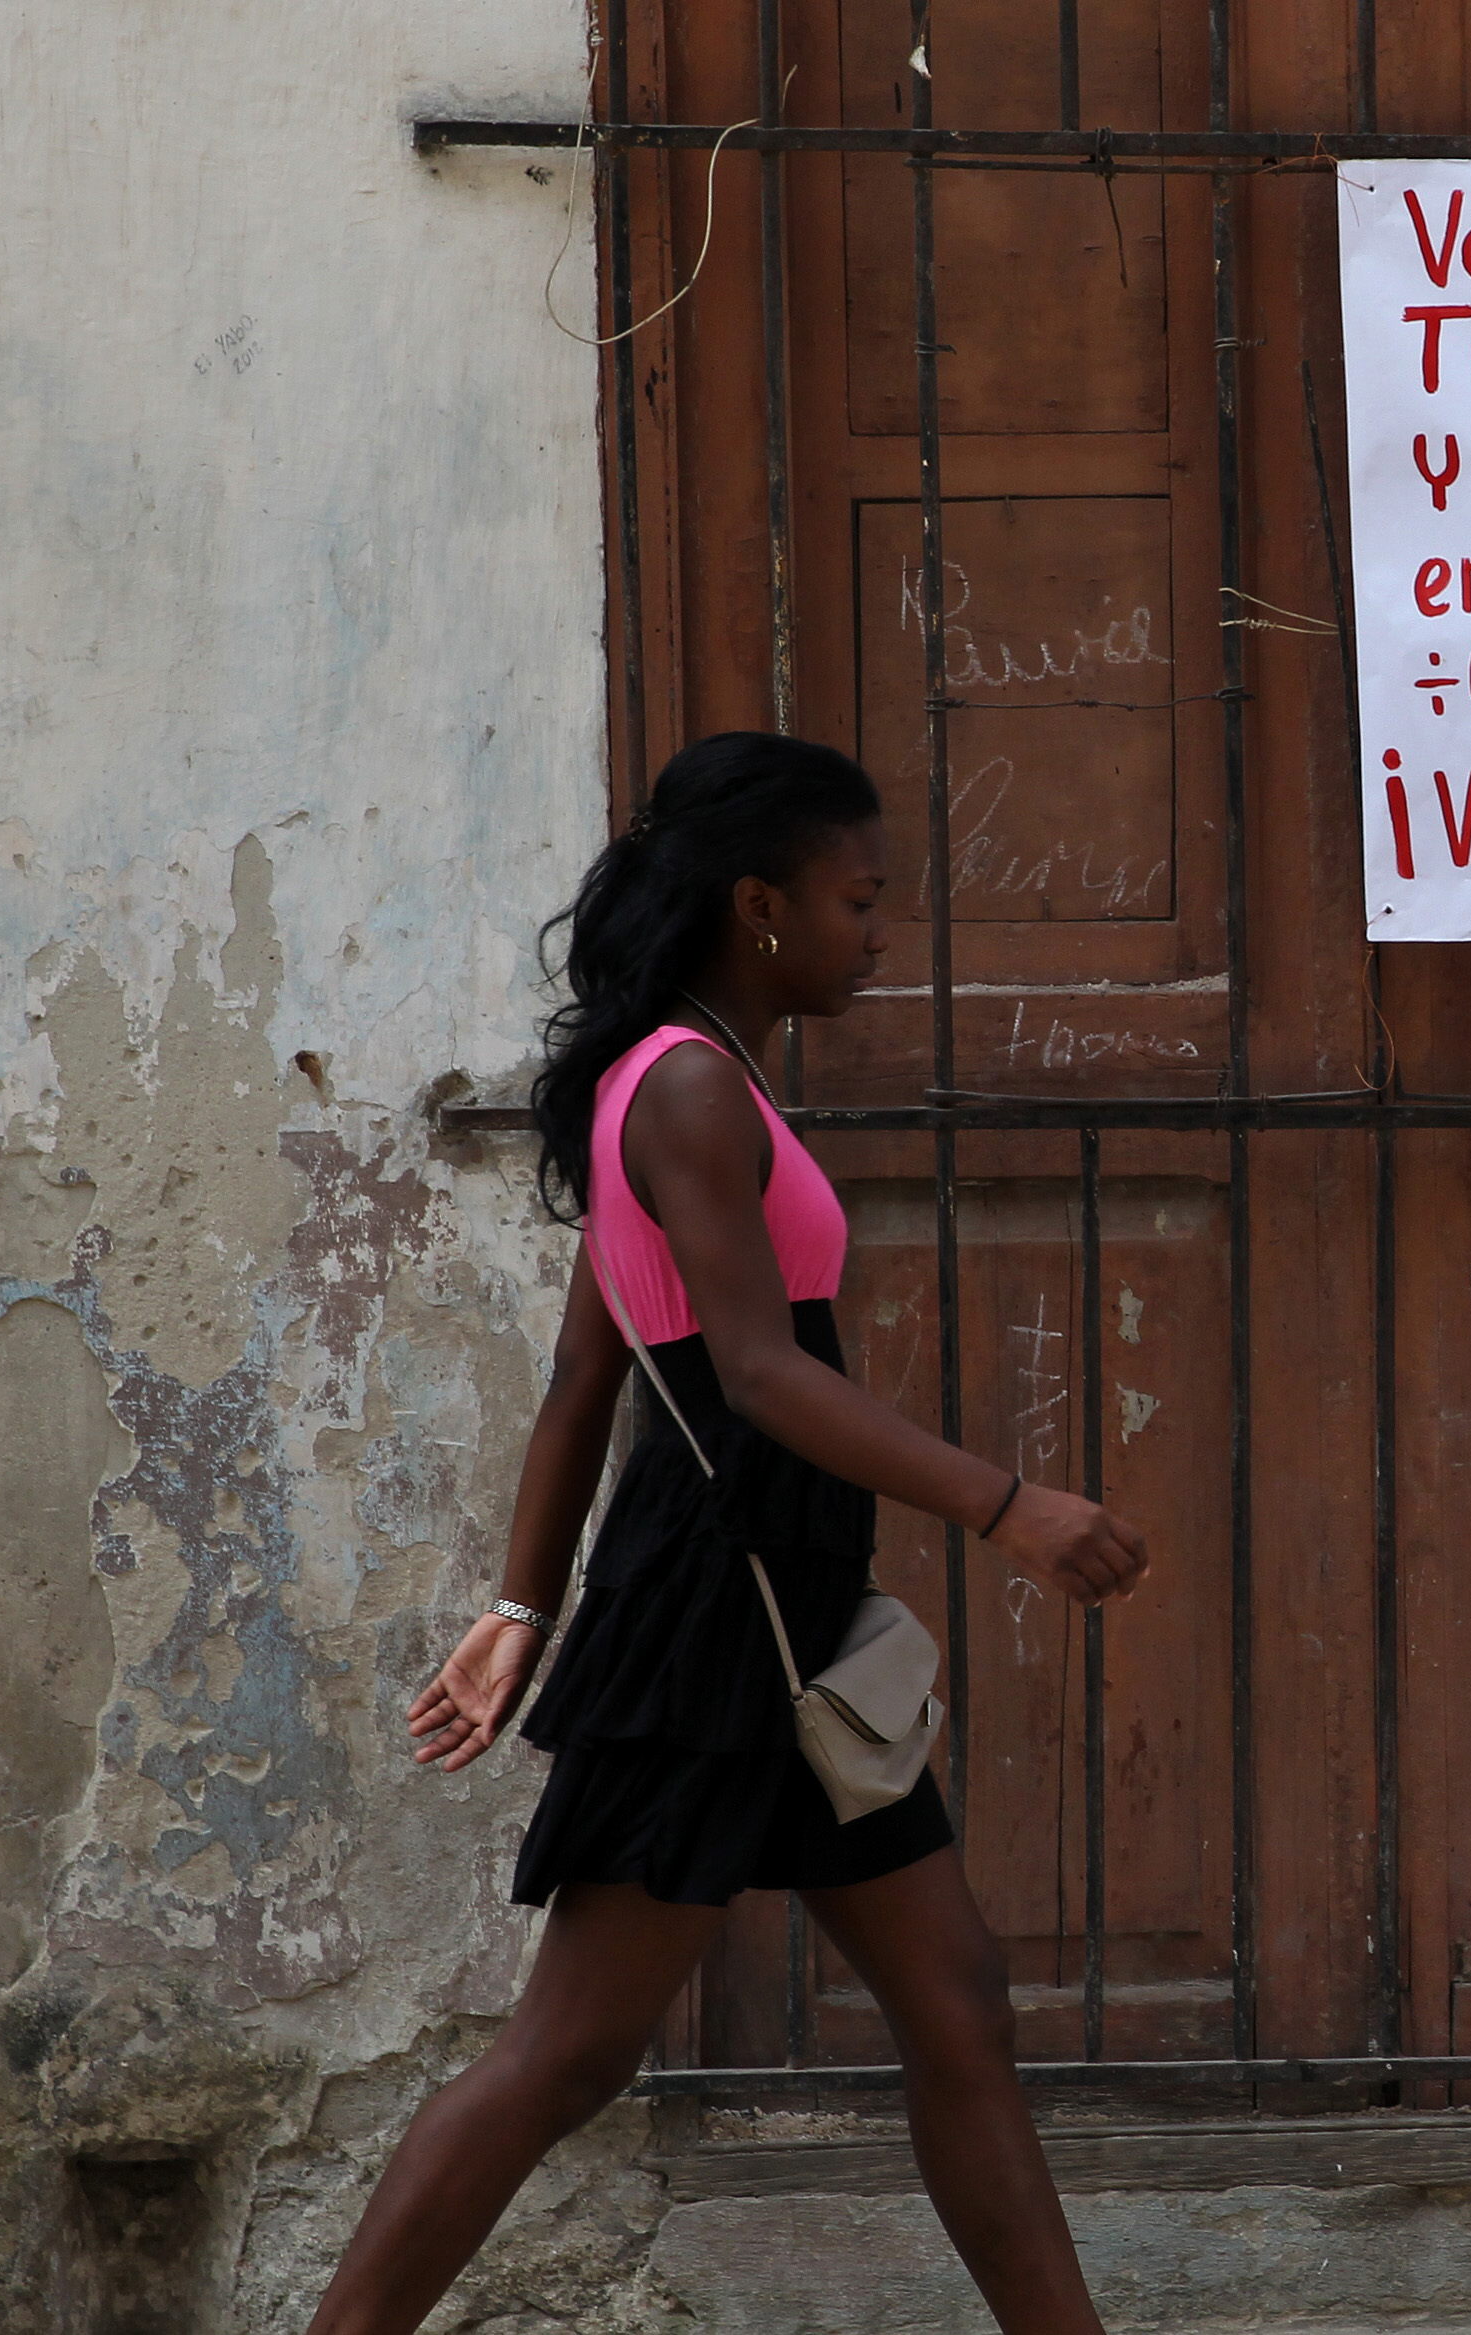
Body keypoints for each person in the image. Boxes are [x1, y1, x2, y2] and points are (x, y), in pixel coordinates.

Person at [307, 734, 1150, 2335]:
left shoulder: (684, 1070)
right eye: (859, 898)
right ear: (760, 904)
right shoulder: (688, 1085)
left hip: (786, 1609)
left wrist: (515, 1606)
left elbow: (583, 1374)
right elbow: (752, 1373)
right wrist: (1007, 1503)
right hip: (717, 1616)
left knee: (957, 2003)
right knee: (567, 2055)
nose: (880, 932)